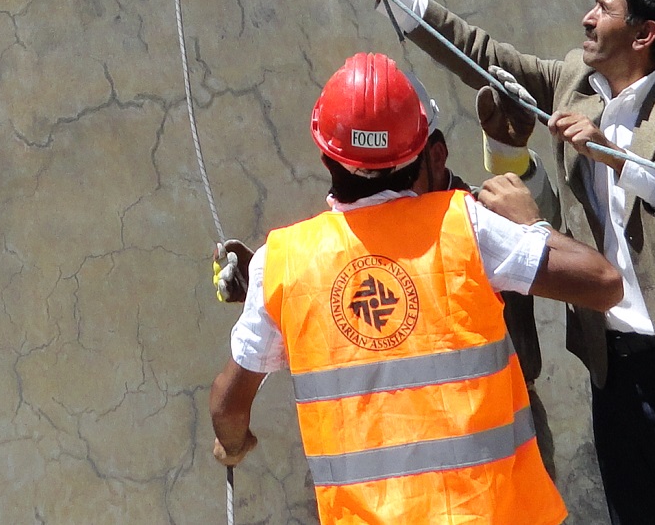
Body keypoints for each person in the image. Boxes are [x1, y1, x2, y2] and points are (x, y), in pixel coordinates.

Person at [322, 0, 655, 525]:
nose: (587, 19)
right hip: (612, 368)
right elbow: (477, 52)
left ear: (644, 35)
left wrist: (618, 158)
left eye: (604, 9)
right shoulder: (573, 81)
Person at [208, 51, 626, 525]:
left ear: (325, 154)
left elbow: (228, 407)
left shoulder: (281, 260)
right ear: (422, 152)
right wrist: (533, 225)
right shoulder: (465, 225)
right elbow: (604, 284)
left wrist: (235, 443)